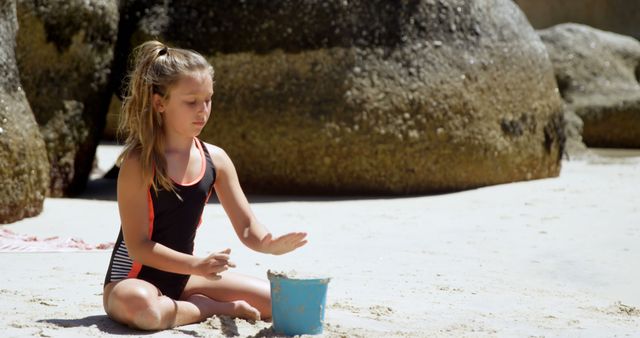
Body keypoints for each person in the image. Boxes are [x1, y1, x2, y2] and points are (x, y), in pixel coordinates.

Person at [102, 40, 308, 330]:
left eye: (208, 99)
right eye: (191, 102)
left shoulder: (216, 160)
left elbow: (247, 226)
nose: (203, 110)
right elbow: (138, 247)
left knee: (276, 303)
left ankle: (186, 303)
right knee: (145, 311)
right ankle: (207, 307)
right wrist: (197, 265)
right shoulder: (140, 162)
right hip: (132, 281)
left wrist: (268, 244)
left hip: (184, 277)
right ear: (160, 103)